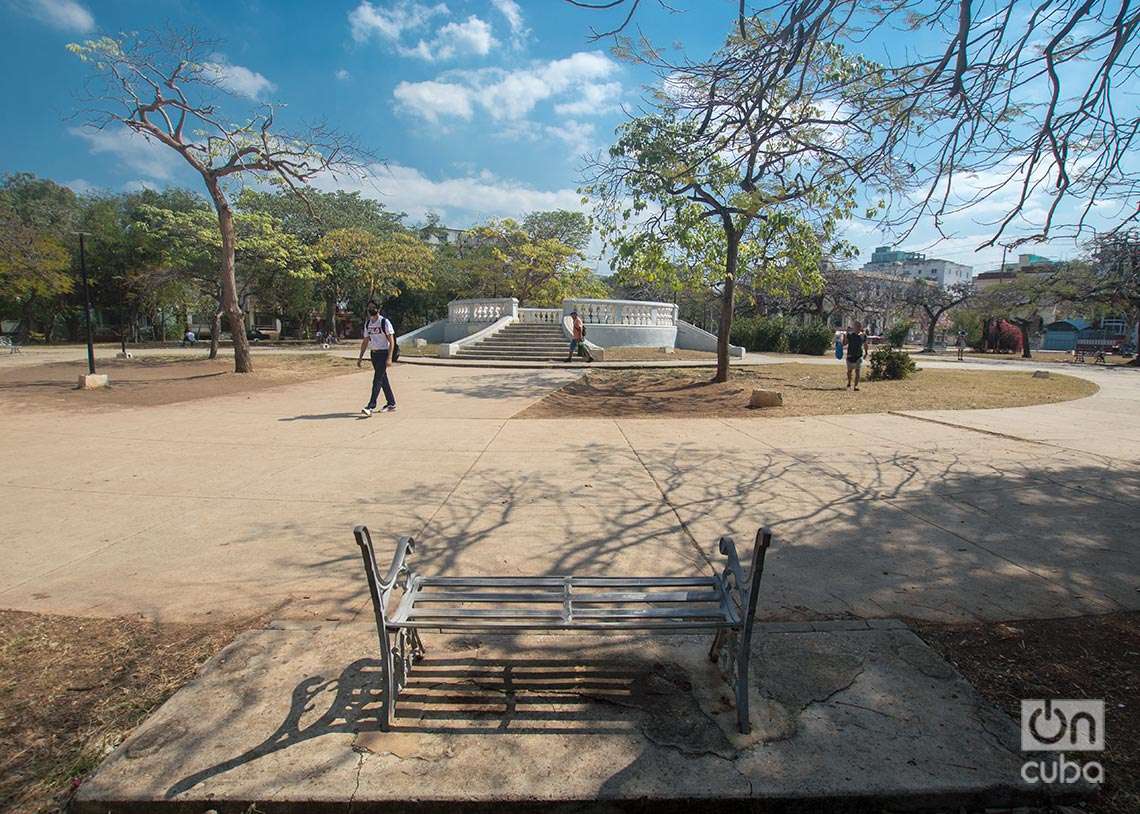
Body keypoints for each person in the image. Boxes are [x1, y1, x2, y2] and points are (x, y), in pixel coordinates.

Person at [357, 304, 396, 416]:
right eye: (369, 308)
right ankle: (391, 403)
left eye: (373, 308)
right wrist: (360, 357)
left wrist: (389, 357)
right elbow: (365, 341)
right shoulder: (368, 323)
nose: (371, 310)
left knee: (377, 380)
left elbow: (392, 341)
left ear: (378, 309)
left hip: (383, 353)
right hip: (374, 354)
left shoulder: (384, 322)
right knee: (383, 379)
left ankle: (371, 406)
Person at [842, 321, 867, 391]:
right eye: (856, 326)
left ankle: (856, 386)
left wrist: (866, 353)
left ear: (860, 327)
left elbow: (865, 344)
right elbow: (844, 344)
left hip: (858, 356)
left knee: (857, 371)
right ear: (854, 327)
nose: (857, 328)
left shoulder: (863, 336)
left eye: (859, 326)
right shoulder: (850, 335)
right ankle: (849, 383)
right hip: (850, 355)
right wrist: (845, 335)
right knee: (849, 371)